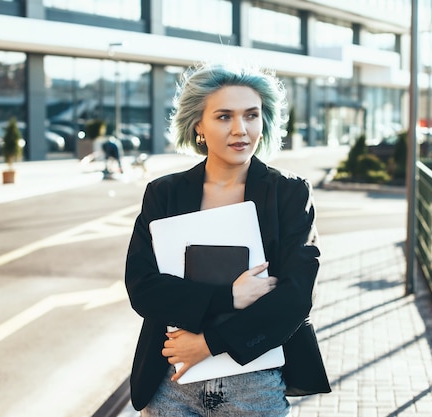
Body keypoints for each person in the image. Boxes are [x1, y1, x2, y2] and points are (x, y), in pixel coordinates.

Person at [124, 63, 331, 416]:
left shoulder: (289, 193)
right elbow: (142, 288)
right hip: (172, 386)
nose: (241, 129)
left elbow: (297, 296)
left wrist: (209, 344)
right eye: (223, 117)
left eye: (251, 115)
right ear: (198, 126)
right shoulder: (164, 194)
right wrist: (229, 297)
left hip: (254, 384)